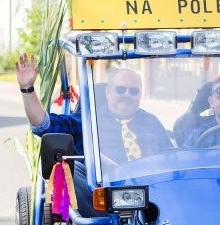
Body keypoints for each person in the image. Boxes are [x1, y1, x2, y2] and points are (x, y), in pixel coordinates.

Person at [17, 53, 173, 216]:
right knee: (67, 168)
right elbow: (43, 124)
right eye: (121, 89)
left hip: (154, 194)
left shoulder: (150, 121)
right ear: (108, 92)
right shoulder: (88, 120)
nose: (127, 95)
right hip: (104, 199)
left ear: (140, 94)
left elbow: (171, 155)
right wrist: (27, 89)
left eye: (133, 91)